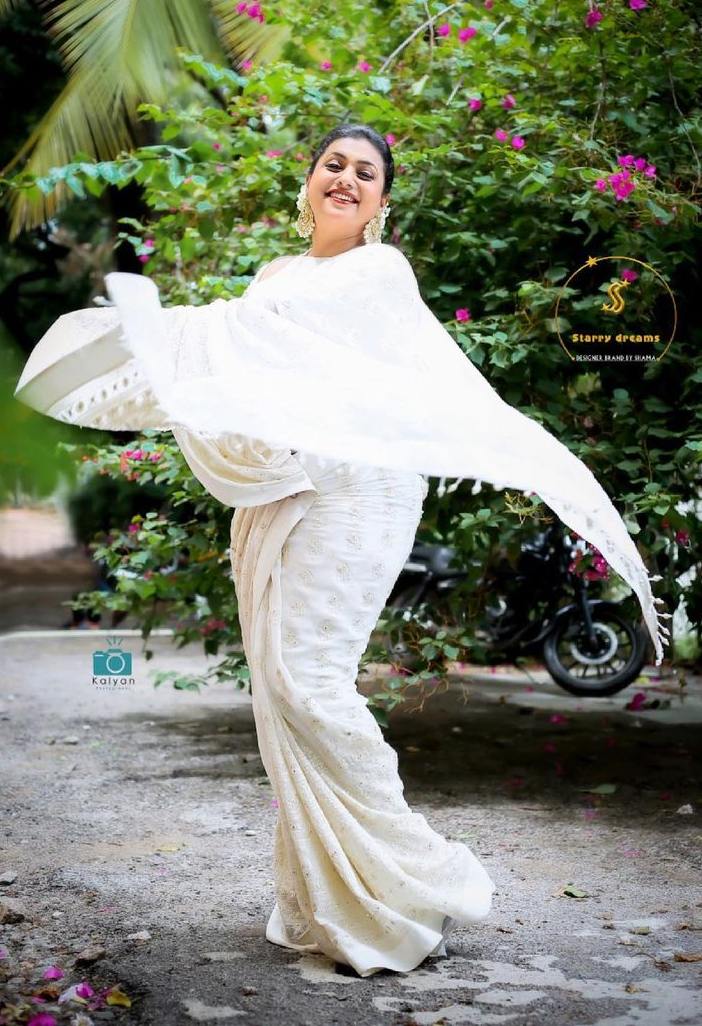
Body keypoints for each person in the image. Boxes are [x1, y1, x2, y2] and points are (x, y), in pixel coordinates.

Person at [14, 122, 670, 977]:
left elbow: (259, 337)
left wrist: (163, 328)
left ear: (380, 202)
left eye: (365, 172)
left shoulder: (377, 273)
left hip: (363, 494)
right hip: (290, 487)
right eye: (334, 165)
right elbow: (247, 375)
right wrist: (158, 356)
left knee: (310, 681)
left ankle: (415, 874)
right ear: (310, 181)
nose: (347, 179)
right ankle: (334, 897)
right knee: (280, 690)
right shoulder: (276, 276)